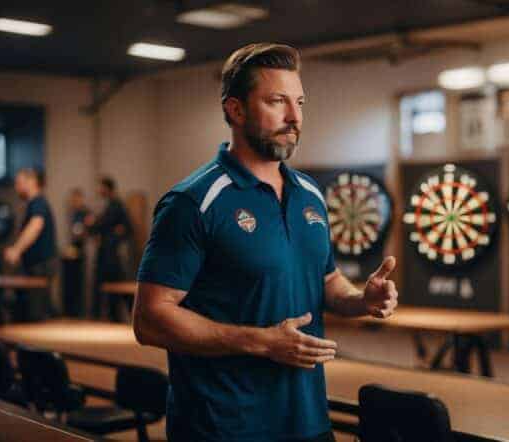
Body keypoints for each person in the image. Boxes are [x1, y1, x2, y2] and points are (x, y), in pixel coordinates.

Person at [133, 43, 399, 442]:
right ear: (235, 110)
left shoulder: (310, 194)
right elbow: (150, 320)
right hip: (223, 428)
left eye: (300, 102)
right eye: (277, 102)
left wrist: (363, 300)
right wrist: (260, 342)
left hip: (308, 423)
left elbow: (326, 283)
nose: (295, 117)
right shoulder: (193, 202)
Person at [4, 167, 58, 321]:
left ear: (32, 181)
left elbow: (36, 225)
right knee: (30, 311)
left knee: (34, 315)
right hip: (37, 266)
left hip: (40, 266)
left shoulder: (38, 202)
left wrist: (16, 250)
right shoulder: (35, 203)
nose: (16, 188)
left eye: (19, 183)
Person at [86, 176, 132, 321]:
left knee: (112, 284)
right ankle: (110, 317)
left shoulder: (116, 205)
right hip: (107, 251)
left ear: (107, 188)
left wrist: (94, 224)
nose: (98, 190)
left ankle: (111, 316)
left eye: (100, 187)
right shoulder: (110, 205)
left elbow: (126, 228)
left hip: (110, 253)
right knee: (107, 285)